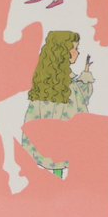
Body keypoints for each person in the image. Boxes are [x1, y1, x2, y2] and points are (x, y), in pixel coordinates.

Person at [20, 30, 94, 176]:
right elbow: (34, 116)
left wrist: (86, 73)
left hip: (68, 136)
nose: (78, 53)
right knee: (57, 167)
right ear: (62, 52)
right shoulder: (49, 85)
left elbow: (83, 98)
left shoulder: (70, 81)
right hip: (54, 137)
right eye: (74, 49)